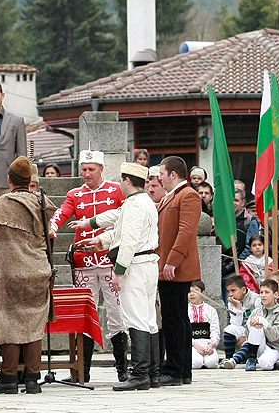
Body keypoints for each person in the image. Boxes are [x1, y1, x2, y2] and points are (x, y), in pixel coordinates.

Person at [49, 149, 128, 382]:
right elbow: (61, 213)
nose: (86, 174)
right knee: (84, 316)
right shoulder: (75, 194)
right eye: (83, 169)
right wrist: (52, 227)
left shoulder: (116, 190)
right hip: (84, 263)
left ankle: (123, 370)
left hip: (109, 261)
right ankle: (81, 372)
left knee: (116, 314)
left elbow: (124, 218)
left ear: (101, 169)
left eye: (91, 169)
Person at [0, 156, 54, 395]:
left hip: (8, 274)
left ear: (9, 180)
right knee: (34, 323)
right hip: (38, 271)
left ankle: (9, 377)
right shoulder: (42, 202)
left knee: (8, 322)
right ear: (30, 180)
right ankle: (32, 379)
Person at [99, 161, 160, 391]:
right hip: (148, 262)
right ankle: (152, 373)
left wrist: (119, 271)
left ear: (126, 181)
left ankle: (140, 374)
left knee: (135, 318)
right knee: (149, 319)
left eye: (120, 180)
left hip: (136, 264)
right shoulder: (145, 201)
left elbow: (128, 241)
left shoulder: (135, 205)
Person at [155, 155, 202, 386]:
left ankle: (175, 369)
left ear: (173, 174)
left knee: (175, 319)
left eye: (162, 174)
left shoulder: (188, 195)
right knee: (175, 318)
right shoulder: (170, 197)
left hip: (176, 268)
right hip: (166, 266)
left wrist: (171, 261)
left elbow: (186, 232)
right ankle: (180, 369)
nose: (160, 179)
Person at [226, 278, 279, 371]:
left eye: (267, 292)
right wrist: (251, 325)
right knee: (256, 327)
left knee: (265, 364)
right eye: (261, 292)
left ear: (276, 295)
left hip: (275, 348)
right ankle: (251, 359)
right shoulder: (257, 311)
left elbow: (275, 336)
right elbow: (248, 335)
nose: (263, 295)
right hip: (259, 346)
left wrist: (265, 323)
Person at [220, 274, 258, 362]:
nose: (230, 294)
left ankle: (244, 358)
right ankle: (228, 358)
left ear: (243, 290)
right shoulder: (232, 302)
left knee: (249, 340)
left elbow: (257, 321)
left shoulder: (256, 299)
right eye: (228, 291)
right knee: (229, 329)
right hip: (242, 328)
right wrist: (238, 307)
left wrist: (245, 336)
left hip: (253, 330)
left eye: (233, 290)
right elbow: (235, 324)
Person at [187, 281, 220, 369]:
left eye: (196, 291)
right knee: (196, 363)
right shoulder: (185, 310)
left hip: (207, 343)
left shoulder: (211, 310)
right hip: (192, 344)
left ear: (203, 293)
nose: (192, 294)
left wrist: (211, 345)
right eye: (189, 291)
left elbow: (215, 329)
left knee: (212, 363)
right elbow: (185, 332)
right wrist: (195, 345)